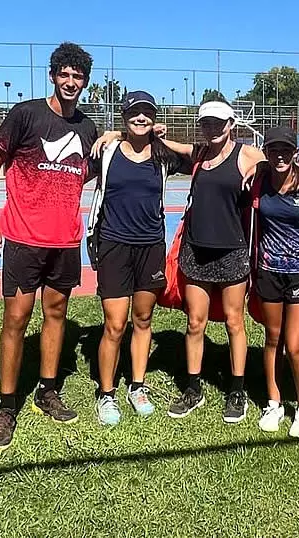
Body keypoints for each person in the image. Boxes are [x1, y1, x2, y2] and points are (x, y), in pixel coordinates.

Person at [91, 100, 266, 423]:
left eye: (219, 123)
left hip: (229, 251)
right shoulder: (197, 154)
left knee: (233, 321)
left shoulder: (243, 153)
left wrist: (259, 166)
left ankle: (237, 390)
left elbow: (274, 163)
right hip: (189, 249)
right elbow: (150, 139)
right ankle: (188, 388)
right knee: (190, 323)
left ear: (231, 124)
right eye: (207, 123)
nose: (213, 128)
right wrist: (116, 132)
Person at [0, 43, 98, 451]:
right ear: (52, 76)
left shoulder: (87, 128)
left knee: (57, 313)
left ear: (85, 81)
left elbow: (86, 173)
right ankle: (7, 407)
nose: (70, 82)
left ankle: (47, 390)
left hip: (65, 240)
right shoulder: (26, 115)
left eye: (77, 76)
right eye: (64, 74)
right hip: (23, 238)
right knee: (16, 318)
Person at [86, 91, 185, 426]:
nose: (141, 118)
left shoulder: (163, 155)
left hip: (150, 247)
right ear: (124, 116)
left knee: (143, 321)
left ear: (154, 118)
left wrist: (165, 135)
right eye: (134, 113)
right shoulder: (107, 151)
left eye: (147, 114)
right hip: (114, 245)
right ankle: (106, 394)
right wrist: (112, 135)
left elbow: (201, 156)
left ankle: (137, 386)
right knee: (114, 324)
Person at [251, 126, 299, 438]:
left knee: (295, 345)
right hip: (268, 270)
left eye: (285, 150)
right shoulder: (259, 179)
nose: (279, 155)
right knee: (272, 338)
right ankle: (274, 402)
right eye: (272, 150)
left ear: (295, 152)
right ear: (266, 153)